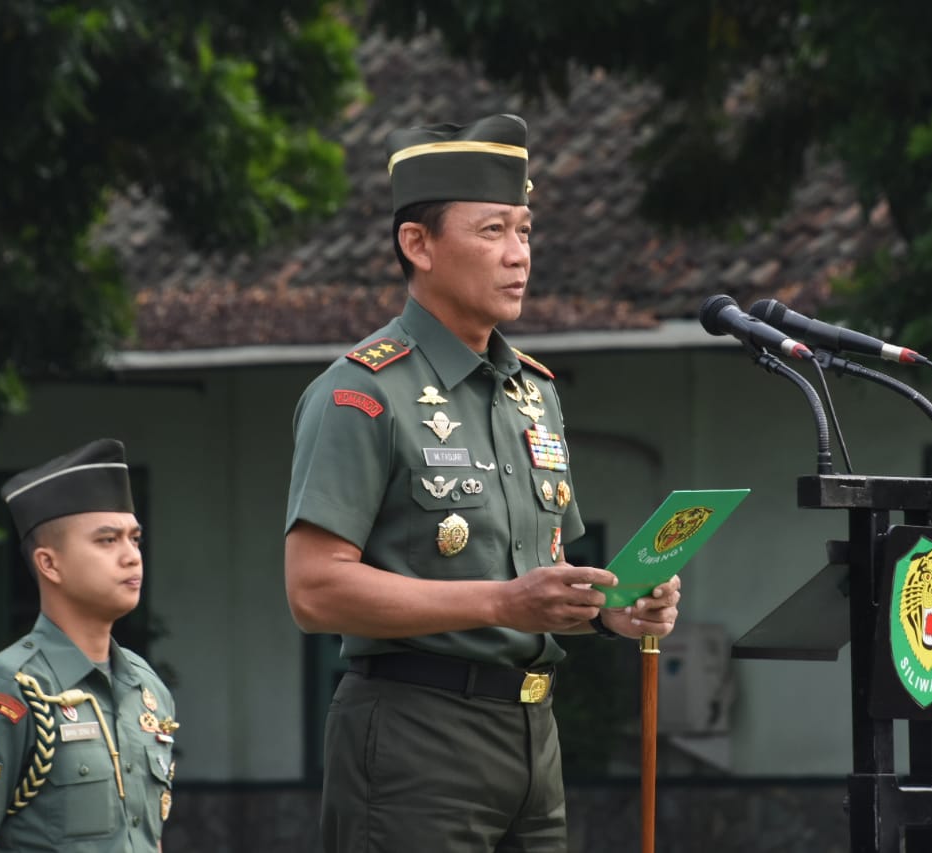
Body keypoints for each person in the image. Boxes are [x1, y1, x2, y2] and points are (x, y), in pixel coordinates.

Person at [284, 114, 682, 852]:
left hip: (534, 733)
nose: (518, 255)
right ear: (419, 244)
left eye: (525, 232)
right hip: (414, 734)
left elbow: (545, 570)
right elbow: (315, 591)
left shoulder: (534, 392)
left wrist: (611, 611)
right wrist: (502, 601)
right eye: (492, 230)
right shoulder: (362, 394)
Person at [0, 438, 177, 853]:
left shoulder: (147, 690)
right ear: (49, 563)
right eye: (107, 540)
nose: (131, 556)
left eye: (135, 539)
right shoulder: (7, 692)